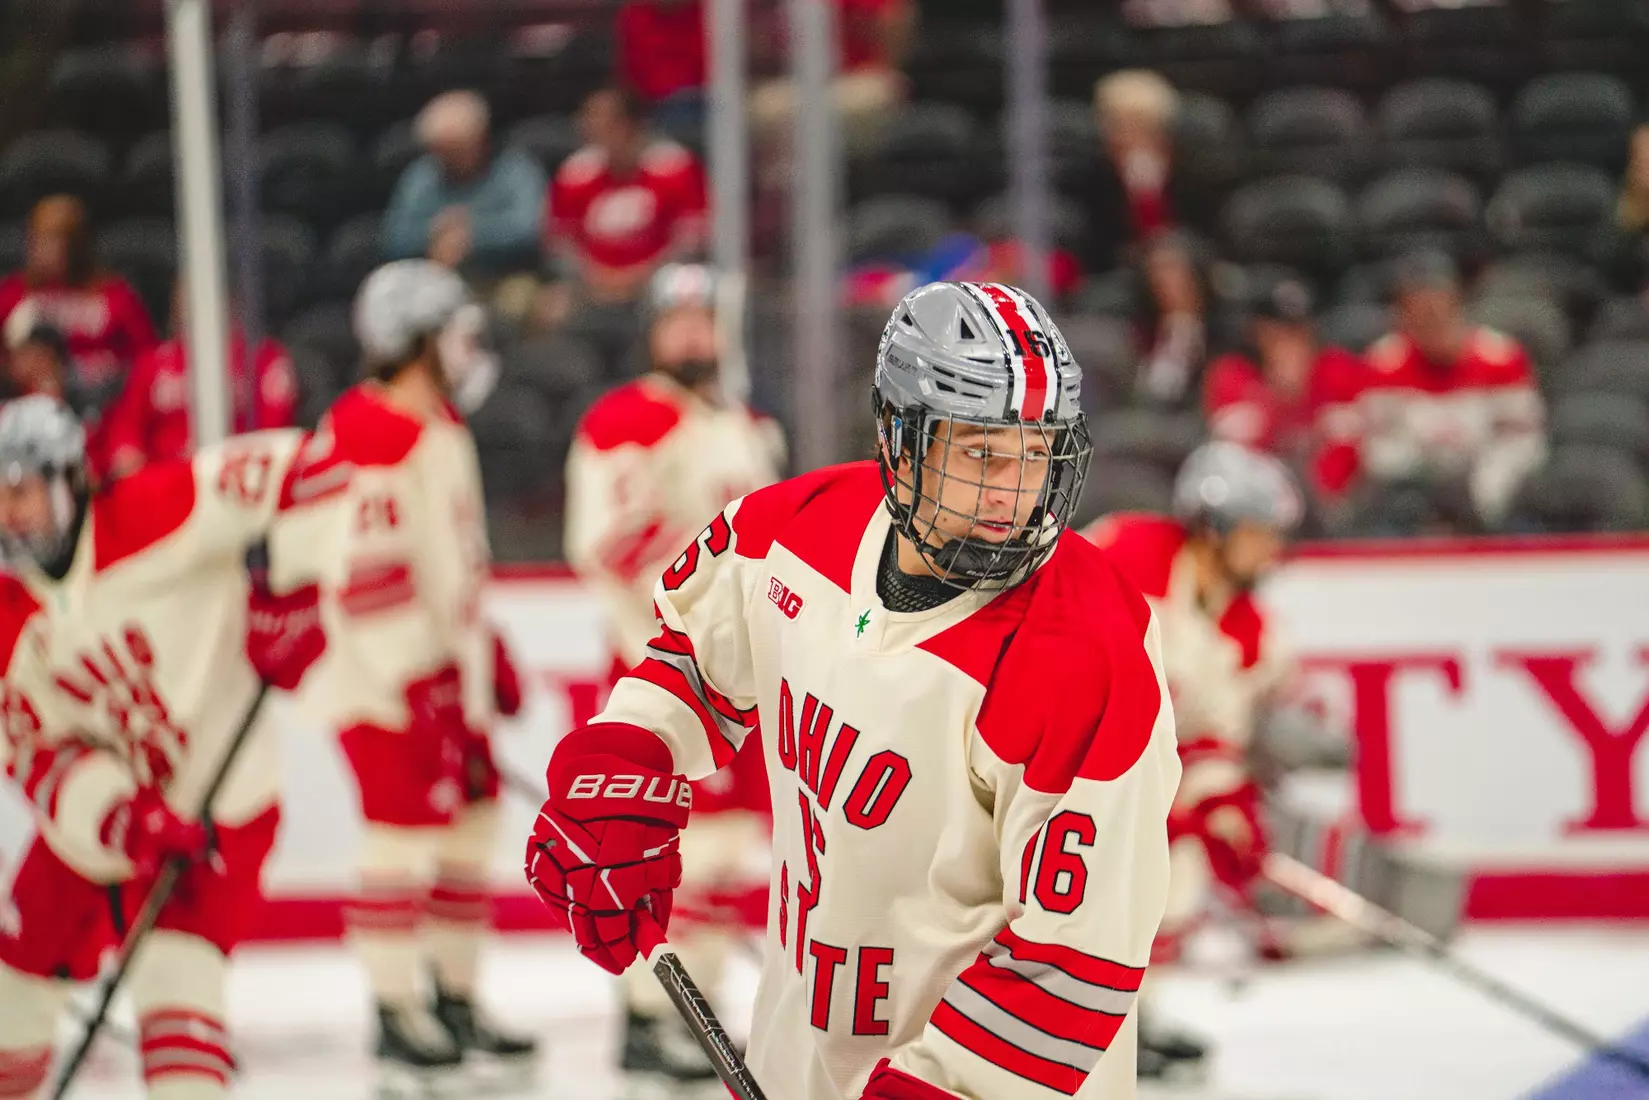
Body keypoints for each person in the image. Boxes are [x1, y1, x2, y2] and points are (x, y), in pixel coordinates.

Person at [527, 280, 1181, 1100]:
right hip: (795, 1058)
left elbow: (1078, 956)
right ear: (903, 441)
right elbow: (692, 657)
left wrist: (936, 1090)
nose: (1012, 497)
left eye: (1035, 453)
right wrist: (623, 758)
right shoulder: (791, 531)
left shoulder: (1088, 646)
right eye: (981, 452)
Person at [0, 395, 328, 1100]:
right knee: (8, 998)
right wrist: (119, 816)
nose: (8, 514)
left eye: (20, 491)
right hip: (97, 830)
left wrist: (293, 591)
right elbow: (35, 756)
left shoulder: (154, 510)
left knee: (178, 1000)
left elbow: (313, 466)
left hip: (218, 812)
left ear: (68, 479)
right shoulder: (6, 609)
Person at [303, 260, 536, 1094]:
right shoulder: (368, 431)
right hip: (378, 680)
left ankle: (455, 995)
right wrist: (418, 678)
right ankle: (396, 1008)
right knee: (399, 835)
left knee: (470, 827)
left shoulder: (436, 426)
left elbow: (448, 561)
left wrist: (481, 649)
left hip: (441, 676)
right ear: (413, 340)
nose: (467, 349)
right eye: (453, 334)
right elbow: (365, 576)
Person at [563, 262, 783, 1089]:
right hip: (665, 665)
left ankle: (696, 1006)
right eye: (679, 320)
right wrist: (700, 601)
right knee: (665, 842)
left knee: (723, 850)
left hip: (743, 674)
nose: (695, 334)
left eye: (706, 318)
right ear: (653, 331)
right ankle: (645, 1016)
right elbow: (606, 540)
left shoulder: (747, 422)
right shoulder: (627, 419)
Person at [1083, 441, 1305, 1083]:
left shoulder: (1254, 633)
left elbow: (1210, 737)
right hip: (1051, 743)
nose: (1273, 551)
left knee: (1176, 872)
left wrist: (1224, 805)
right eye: (1262, 534)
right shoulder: (1127, 552)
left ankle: (1126, 1016)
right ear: (1217, 526)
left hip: (1135, 769)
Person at [1360, 251, 1545, 532]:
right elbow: (1379, 451)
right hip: (1414, 496)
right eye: (1421, 311)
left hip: (1489, 494)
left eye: (1440, 307)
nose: (1433, 317)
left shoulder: (1501, 358)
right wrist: (1427, 481)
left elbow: (1524, 444)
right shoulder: (1384, 364)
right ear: (1404, 315)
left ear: (1458, 304)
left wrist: (1483, 487)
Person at [97, 279, 299, 477]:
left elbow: (274, 434)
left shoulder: (263, 359)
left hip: (234, 481)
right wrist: (129, 459)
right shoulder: (153, 363)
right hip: (163, 485)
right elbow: (126, 428)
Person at [1201, 276, 1367, 516]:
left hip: (1334, 509)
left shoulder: (1337, 368)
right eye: (1276, 331)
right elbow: (1233, 456)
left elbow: (1354, 443)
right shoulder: (1233, 374)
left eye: (1298, 330)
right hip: (1258, 509)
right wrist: (1278, 396)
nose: (1290, 341)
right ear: (1255, 332)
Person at [547, 87, 708, 307]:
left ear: (631, 124)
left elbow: (692, 238)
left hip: (661, 283)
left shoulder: (674, 166)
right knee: (552, 305)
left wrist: (643, 275)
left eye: (605, 122)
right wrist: (595, 276)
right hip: (592, 287)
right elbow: (560, 242)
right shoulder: (576, 173)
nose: (591, 128)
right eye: (589, 120)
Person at [383, 91, 548, 290]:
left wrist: (472, 234)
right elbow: (395, 236)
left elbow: (530, 229)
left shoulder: (515, 170)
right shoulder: (421, 175)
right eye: (440, 152)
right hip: (433, 276)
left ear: (480, 140)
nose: (447, 161)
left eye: (456, 151)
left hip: (505, 275)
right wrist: (436, 231)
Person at [0, 195, 157, 403]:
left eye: (54, 240)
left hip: (104, 404)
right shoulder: (14, 293)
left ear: (77, 245)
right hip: (29, 407)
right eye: (38, 240)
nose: (44, 251)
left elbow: (148, 361)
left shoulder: (116, 295)